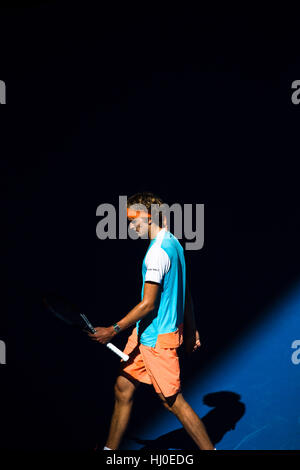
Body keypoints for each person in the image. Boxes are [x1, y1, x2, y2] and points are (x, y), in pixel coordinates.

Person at [89, 192, 215, 450]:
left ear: (148, 217)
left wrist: (113, 330)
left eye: (133, 220)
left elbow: (148, 304)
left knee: (173, 402)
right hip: (145, 334)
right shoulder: (173, 243)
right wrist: (192, 330)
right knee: (123, 388)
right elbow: (185, 292)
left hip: (156, 340)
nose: (130, 226)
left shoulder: (156, 254)